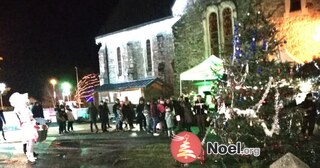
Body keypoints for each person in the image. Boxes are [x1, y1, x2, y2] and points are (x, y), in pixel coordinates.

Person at [9, 92, 38, 164]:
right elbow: (27, 118)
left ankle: (30, 155)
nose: (27, 101)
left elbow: (30, 117)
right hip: (27, 125)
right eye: (26, 101)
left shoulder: (25, 109)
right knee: (30, 141)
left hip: (29, 125)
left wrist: (33, 121)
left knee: (31, 141)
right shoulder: (21, 109)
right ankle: (30, 155)